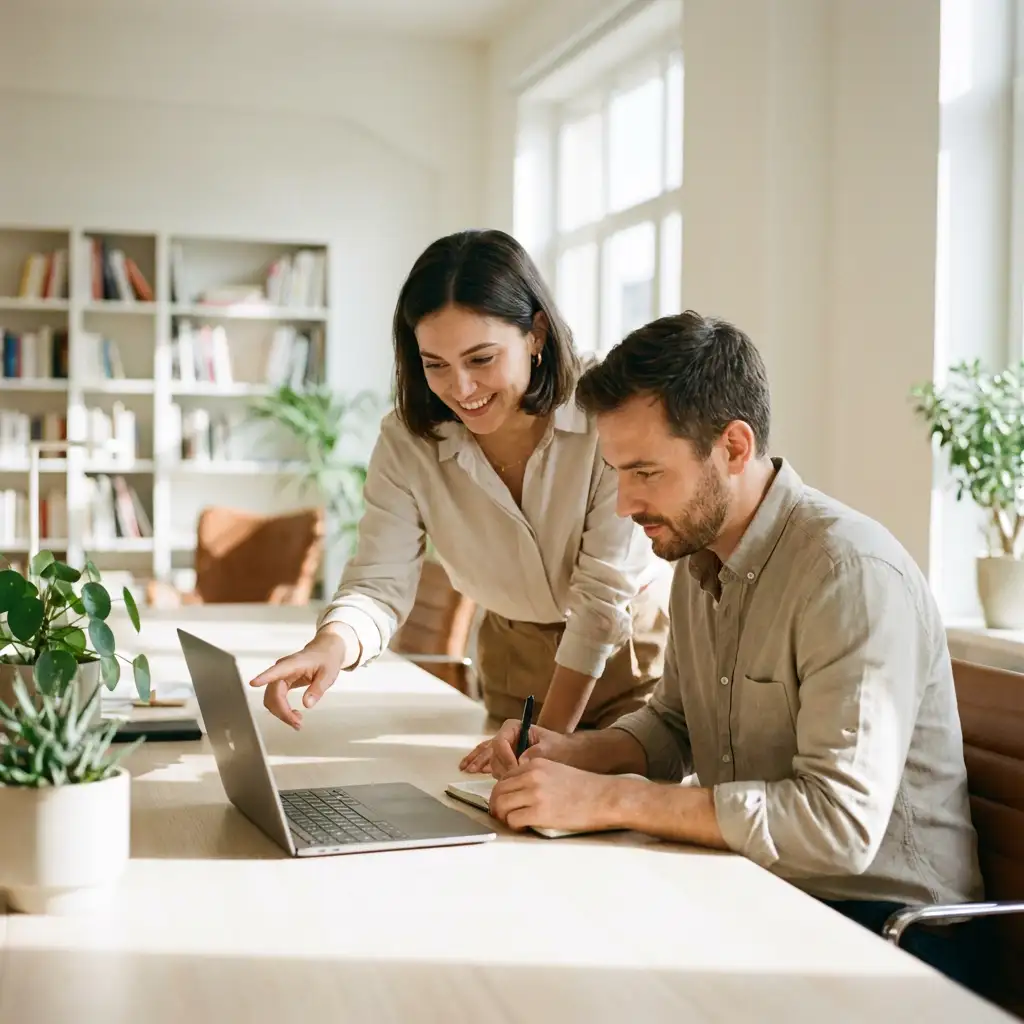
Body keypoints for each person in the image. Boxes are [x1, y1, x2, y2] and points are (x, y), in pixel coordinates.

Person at [484, 310, 983, 985]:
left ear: (735, 448)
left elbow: (838, 824)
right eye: (616, 474)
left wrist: (609, 800)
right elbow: (675, 723)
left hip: (890, 938)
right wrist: (572, 752)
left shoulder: (850, 575)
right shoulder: (698, 553)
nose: (625, 504)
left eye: (646, 472)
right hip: (769, 898)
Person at [249, 229, 670, 771]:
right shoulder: (408, 440)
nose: (462, 387)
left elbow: (600, 598)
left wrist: (543, 746)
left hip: (625, 658)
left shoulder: (605, 407)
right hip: (511, 661)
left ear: (536, 333)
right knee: (506, 835)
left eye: (481, 358)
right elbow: (380, 579)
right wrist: (332, 644)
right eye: (436, 364)